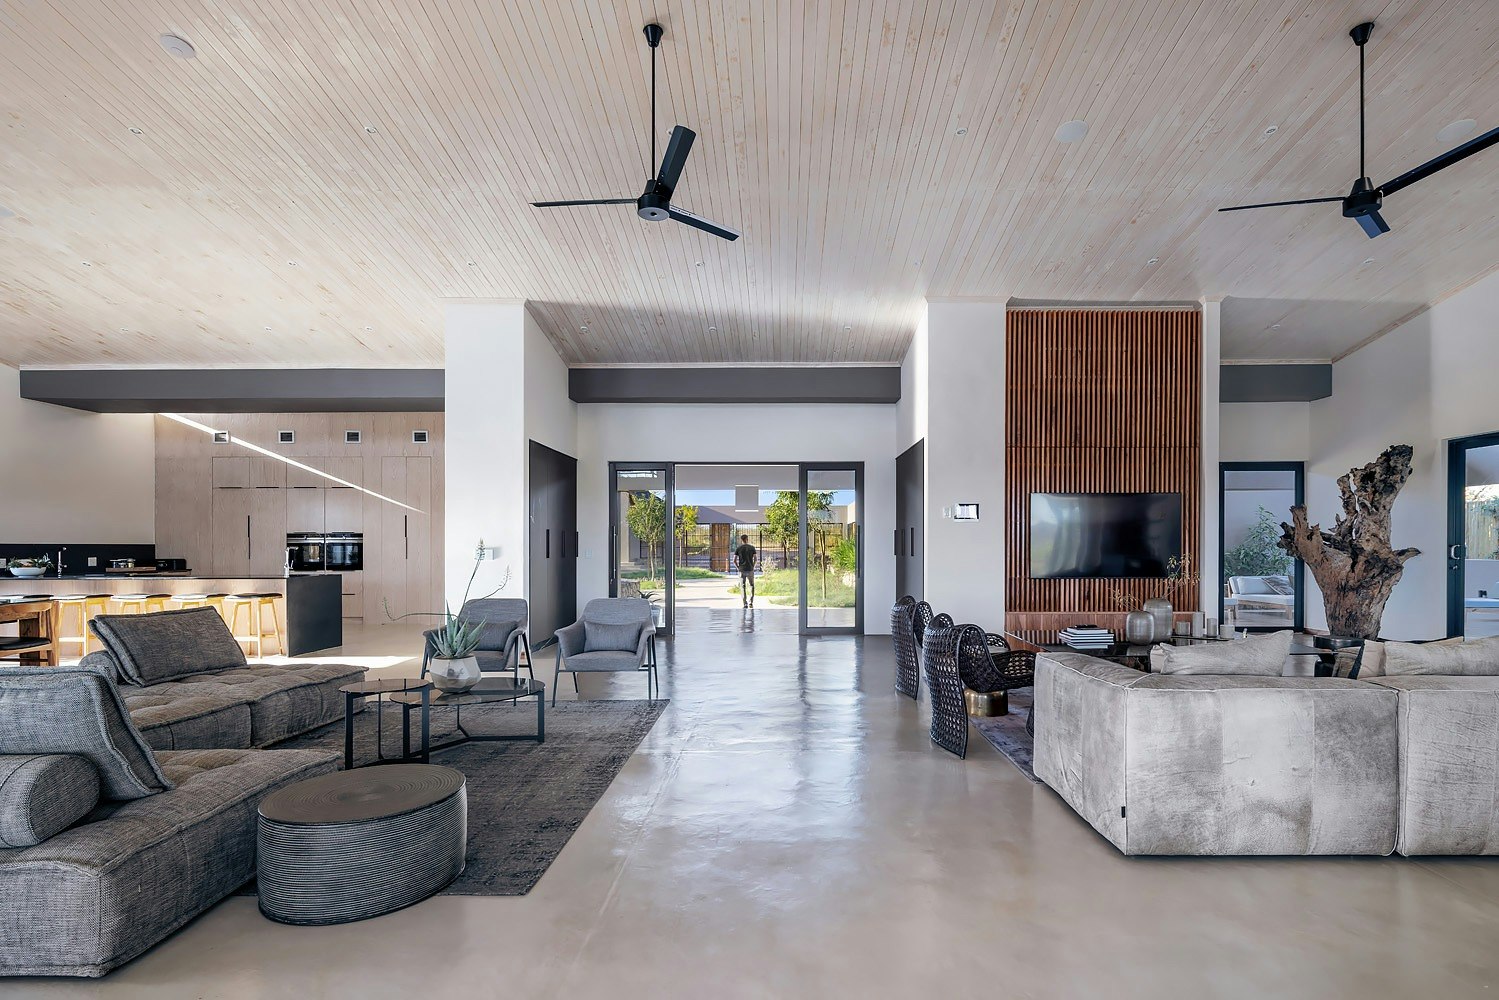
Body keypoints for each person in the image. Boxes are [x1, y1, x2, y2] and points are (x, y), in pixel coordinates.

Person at [734, 534, 758, 608]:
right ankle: (751, 602)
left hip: (742, 570)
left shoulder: (738, 548)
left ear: (741, 540)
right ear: (747, 539)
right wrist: (753, 567)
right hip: (750, 569)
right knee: (751, 585)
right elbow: (755, 559)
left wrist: (738, 568)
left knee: (742, 586)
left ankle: (745, 603)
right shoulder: (752, 548)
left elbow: (734, 560)